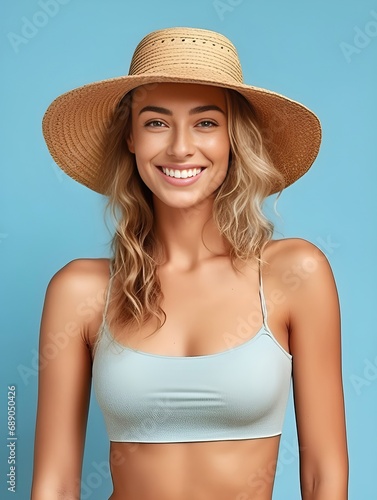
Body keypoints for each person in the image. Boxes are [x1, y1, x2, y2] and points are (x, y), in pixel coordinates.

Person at [31, 27, 348, 500]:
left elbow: (324, 473)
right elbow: (53, 484)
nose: (180, 147)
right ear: (131, 139)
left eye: (205, 123)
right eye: (156, 122)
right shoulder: (79, 291)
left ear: (233, 139)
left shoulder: (295, 274)